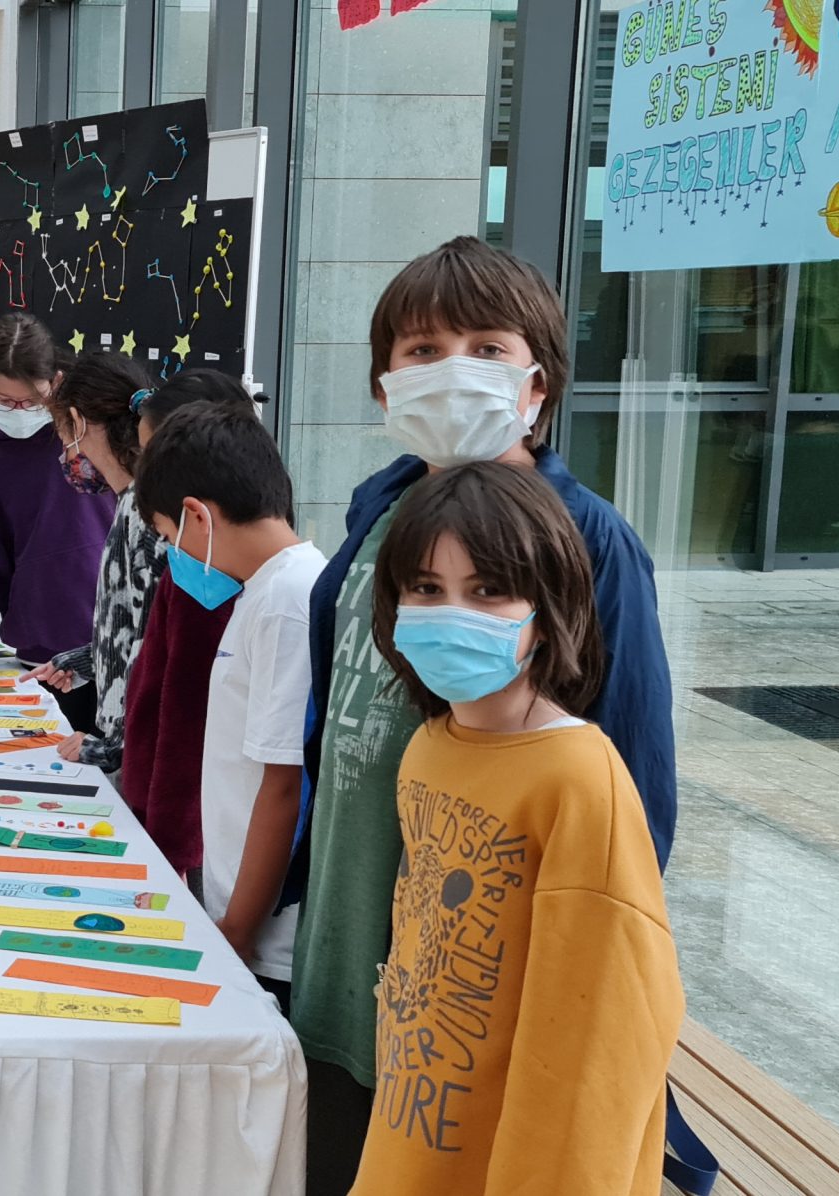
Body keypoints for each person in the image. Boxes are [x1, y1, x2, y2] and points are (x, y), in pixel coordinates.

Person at [290, 235, 674, 1191]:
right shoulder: (380, 510)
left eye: (486, 347)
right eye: (423, 349)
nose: (453, 369)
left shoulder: (588, 538)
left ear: (537, 386)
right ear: (385, 382)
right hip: (359, 957)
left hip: (475, 1007)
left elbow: (632, 801)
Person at [350, 460, 683, 1194]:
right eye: (426, 588)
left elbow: (599, 1050)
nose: (452, 613)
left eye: (488, 590)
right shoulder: (428, 747)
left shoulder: (579, 783)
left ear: (549, 605)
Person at [131, 403, 321, 1005]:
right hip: (237, 910)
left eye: (169, 539)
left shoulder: (288, 600)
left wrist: (237, 931)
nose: (174, 556)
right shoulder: (262, 590)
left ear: (197, 516)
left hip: (264, 937)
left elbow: (283, 785)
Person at [116, 371, 263, 883]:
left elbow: (187, 721)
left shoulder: (215, 576)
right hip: (157, 815)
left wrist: (170, 849)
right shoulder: (191, 567)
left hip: (191, 841)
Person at [0, 312, 117, 734]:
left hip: (118, 649)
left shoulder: (95, 438)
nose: (19, 411)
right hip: (44, 660)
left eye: (32, 401)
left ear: (55, 383)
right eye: (5, 401)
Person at [21, 350, 160, 772]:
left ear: (77, 422)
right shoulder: (132, 503)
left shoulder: (146, 512)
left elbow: (158, 647)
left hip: (136, 759)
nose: (65, 451)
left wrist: (114, 749)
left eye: (62, 434)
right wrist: (88, 659)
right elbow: (133, 624)